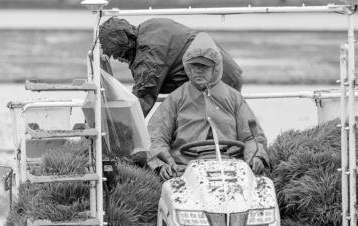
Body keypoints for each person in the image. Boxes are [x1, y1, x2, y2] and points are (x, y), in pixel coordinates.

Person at [146, 32, 269, 179]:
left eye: (204, 66)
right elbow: (156, 137)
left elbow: (251, 137)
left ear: (215, 68)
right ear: (187, 67)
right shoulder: (175, 99)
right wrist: (163, 164)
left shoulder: (234, 98)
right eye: (194, 65)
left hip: (234, 169)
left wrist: (256, 157)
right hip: (185, 172)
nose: (198, 70)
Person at [99, 16, 243, 117]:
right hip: (225, 70)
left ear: (127, 43)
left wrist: (119, 132)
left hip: (217, 78)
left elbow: (143, 97)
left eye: (118, 54)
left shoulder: (149, 54)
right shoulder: (150, 27)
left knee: (209, 130)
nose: (118, 59)